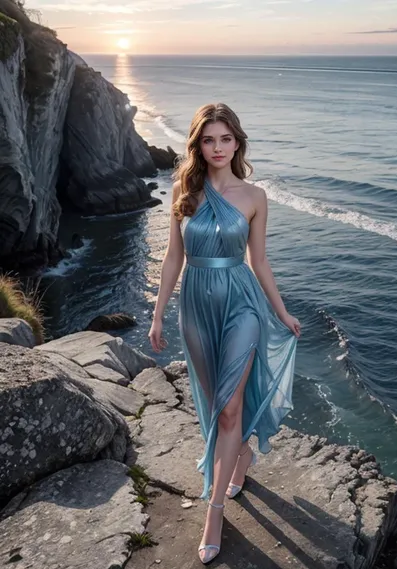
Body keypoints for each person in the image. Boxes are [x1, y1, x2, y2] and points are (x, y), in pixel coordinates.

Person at [148, 102, 300, 564]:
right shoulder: (184, 190)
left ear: (238, 142)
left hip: (242, 302)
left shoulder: (254, 196)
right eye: (209, 140)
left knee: (231, 408)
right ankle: (242, 457)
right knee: (217, 405)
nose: (217, 148)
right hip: (196, 303)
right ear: (198, 144)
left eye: (226, 139)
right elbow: (174, 257)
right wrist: (157, 314)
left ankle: (213, 509)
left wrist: (282, 310)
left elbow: (259, 260)